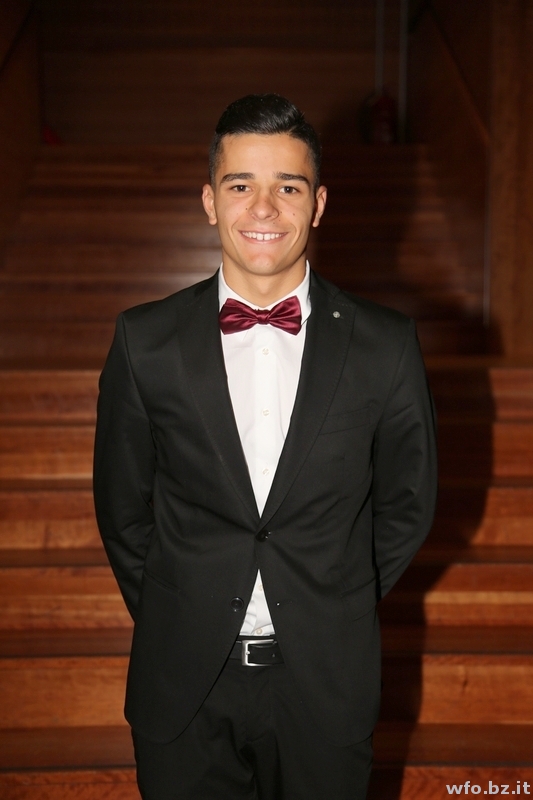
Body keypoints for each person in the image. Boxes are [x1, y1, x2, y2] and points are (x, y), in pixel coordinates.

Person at [93, 93, 438, 800]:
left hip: (327, 681)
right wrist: (182, 605)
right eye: (240, 185)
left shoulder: (386, 344)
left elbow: (409, 503)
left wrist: (334, 598)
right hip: (183, 682)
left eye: (288, 187)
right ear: (209, 201)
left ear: (317, 204)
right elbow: (123, 509)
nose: (263, 208)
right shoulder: (143, 341)